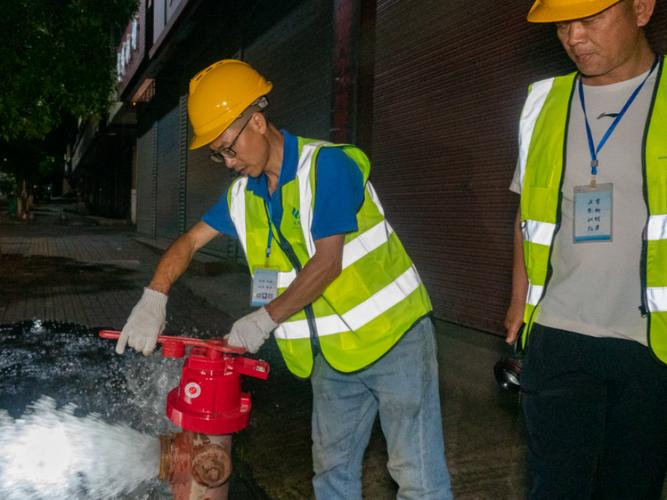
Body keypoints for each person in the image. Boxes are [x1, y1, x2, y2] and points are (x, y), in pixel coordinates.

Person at [116, 59, 452, 499]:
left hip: (396, 340)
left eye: (229, 148)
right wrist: (154, 296)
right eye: (218, 154)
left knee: (417, 477)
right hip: (330, 358)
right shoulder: (244, 196)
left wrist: (262, 320)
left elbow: (327, 263)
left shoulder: (326, 167)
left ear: (256, 121)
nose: (227, 162)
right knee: (332, 476)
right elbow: (189, 243)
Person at [504, 0, 667, 498]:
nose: (573, 37)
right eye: (562, 24)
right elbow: (527, 214)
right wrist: (517, 297)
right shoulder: (543, 101)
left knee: (633, 487)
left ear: (641, 9)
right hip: (558, 333)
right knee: (554, 485)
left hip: (651, 339)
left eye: (590, 19)